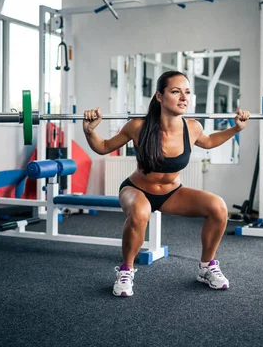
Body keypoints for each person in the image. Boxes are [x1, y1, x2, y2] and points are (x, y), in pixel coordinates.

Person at [82, 71, 250, 297]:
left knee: (218, 207)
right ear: (159, 96)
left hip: (172, 193)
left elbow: (209, 142)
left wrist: (236, 129)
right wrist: (89, 131)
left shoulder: (192, 127)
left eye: (187, 92)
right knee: (141, 212)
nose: (184, 98)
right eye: (175, 91)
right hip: (136, 190)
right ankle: (126, 270)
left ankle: (206, 267)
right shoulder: (138, 126)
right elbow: (103, 147)